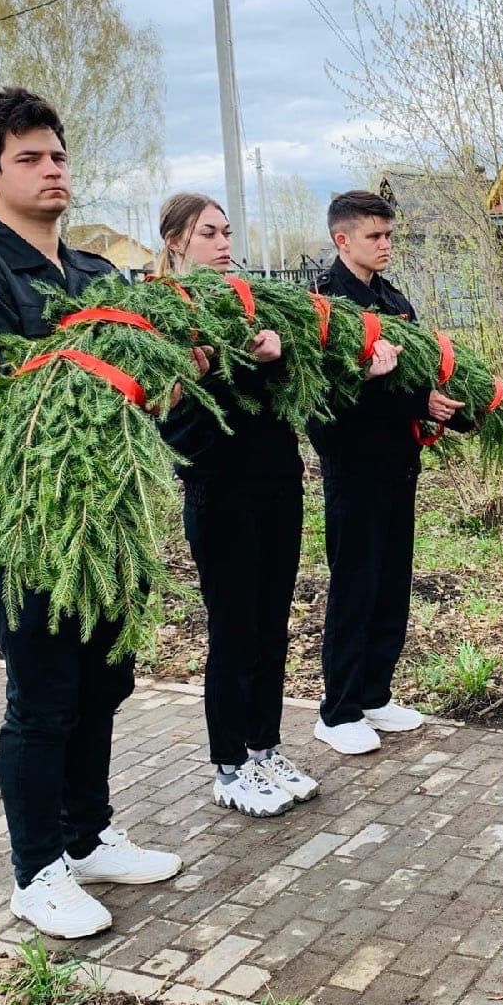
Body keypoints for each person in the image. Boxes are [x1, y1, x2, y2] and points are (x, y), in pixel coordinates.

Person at [0, 88, 183, 939]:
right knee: (40, 699)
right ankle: (35, 873)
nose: (52, 170)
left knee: (103, 682)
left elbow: (145, 383)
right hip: (29, 526)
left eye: (58, 154)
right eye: (30, 158)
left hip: (104, 522)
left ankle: (87, 836)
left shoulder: (96, 276)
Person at [155, 193, 397, 814]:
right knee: (233, 629)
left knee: (270, 625)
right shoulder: (167, 315)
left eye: (228, 231)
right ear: (177, 241)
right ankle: (230, 767)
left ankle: (264, 750)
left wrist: (280, 355)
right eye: (209, 233)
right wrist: (220, 369)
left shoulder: (253, 306)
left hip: (276, 481)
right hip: (220, 489)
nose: (224, 242)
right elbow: (174, 418)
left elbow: (300, 390)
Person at [308, 190, 464, 755]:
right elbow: (318, 402)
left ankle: (374, 695)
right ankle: (338, 709)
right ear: (341, 239)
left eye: (389, 235)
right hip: (352, 468)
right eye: (374, 236)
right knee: (355, 585)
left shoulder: (396, 301)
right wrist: (367, 379)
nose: (386, 245)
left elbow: (410, 382)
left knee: (392, 584)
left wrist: (430, 402)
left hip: (400, 464)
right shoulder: (323, 306)